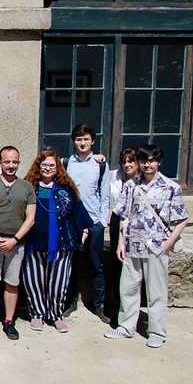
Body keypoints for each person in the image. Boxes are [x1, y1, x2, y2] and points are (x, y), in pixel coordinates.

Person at [104, 145, 188, 348]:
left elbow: (182, 219)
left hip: (157, 246)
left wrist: (169, 242)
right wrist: (120, 244)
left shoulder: (170, 187)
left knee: (156, 291)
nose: (147, 164)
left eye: (151, 160)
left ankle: (157, 331)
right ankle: (126, 326)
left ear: (159, 162)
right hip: (133, 245)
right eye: (144, 160)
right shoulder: (132, 185)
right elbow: (124, 216)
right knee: (129, 288)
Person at [22, 150, 93, 333]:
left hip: (61, 244)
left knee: (58, 283)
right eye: (44, 165)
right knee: (34, 281)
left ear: (57, 167)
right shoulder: (29, 187)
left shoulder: (66, 188)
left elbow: (78, 212)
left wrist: (83, 230)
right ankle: (37, 314)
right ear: (38, 167)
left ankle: (56, 314)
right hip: (34, 243)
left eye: (51, 165)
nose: (47, 168)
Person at [0, 146, 36, 340]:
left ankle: (9, 321)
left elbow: (31, 218)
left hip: (16, 244)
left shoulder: (26, 187)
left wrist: (15, 239)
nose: (11, 166)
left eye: (14, 162)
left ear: (19, 163)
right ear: (0, 162)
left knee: (12, 283)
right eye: (7, 162)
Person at [62, 124, 110, 323]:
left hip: (94, 220)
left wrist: (101, 222)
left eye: (86, 139)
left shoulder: (100, 165)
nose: (82, 143)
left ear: (92, 141)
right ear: (74, 142)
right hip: (72, 221)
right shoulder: (66, 163)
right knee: (69, 264)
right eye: (79, 140)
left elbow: (105, 195)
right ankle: (70, 301)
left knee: (96, 264)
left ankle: (99, 304)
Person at [107, 146, 139, 313]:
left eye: (131, 161)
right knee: (117, 260)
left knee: (134, 263)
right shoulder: (114, 176)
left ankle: (135, 305)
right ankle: (120, 303)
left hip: (136, 223)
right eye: (124, 161)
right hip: (117, 220)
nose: (127, 165)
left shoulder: (142, 180)